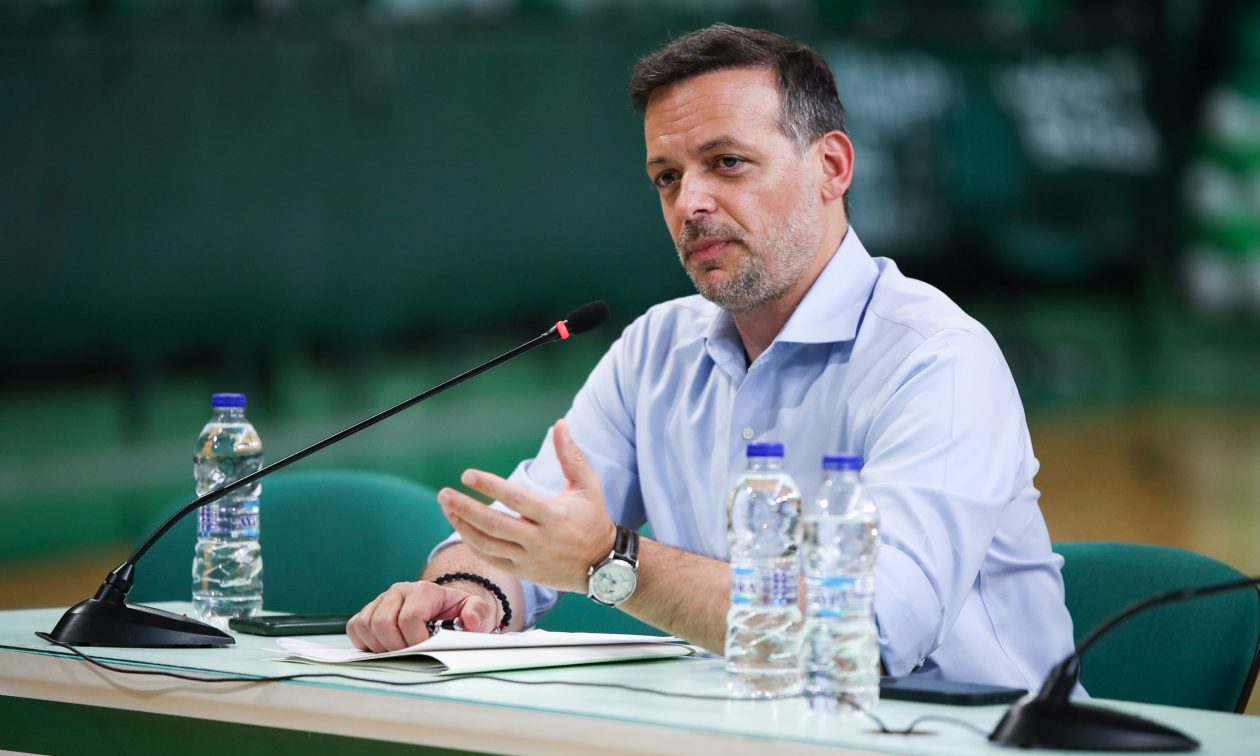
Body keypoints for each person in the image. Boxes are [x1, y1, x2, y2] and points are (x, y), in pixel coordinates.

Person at [348, 23, 1076, 690]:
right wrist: (469, 595)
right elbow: (527, 534)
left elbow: (863, 634)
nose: (689, 203)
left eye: (727, 163)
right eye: (666, 176)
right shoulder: (656, 350)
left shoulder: (937, 360)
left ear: (831, 167)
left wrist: (612, 561)